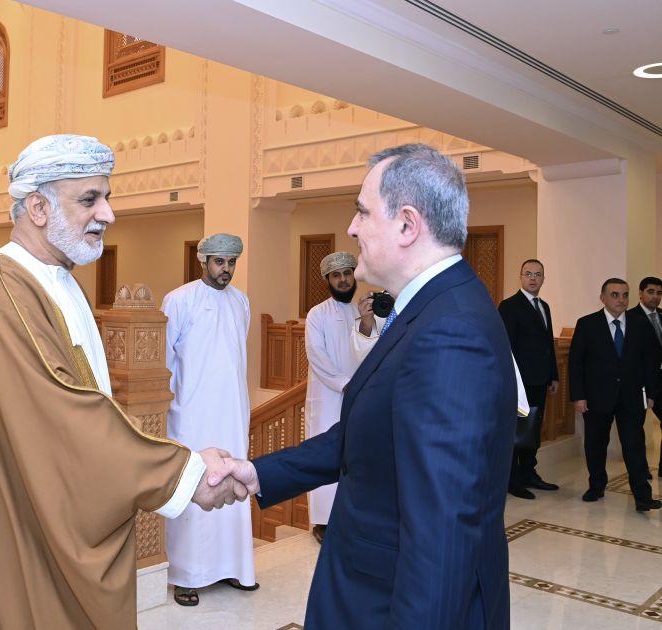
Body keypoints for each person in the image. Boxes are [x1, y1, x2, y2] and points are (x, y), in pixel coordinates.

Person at [0, 135, 249, 630]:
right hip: (24, 522)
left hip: (52, 506)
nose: (108, 214)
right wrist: (184, 473)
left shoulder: (58, 280)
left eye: (107, 197)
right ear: (38, 207)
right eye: (89, 199)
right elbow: (62, 416)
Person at [215, 144, 517, 628]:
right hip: (369, 588)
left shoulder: (450, 331)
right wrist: (259, 473)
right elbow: (371, 434)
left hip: (389, 601)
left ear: (407, 225)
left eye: (362, 211)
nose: (352, 227)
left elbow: (443, 533)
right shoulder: (426, 309)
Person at [162, 233, 258, 606]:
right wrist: (173, 406)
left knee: (233, 483)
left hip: (231, 411)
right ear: (203, 261)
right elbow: (166, 360)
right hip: (191, 414)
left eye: (231, 262)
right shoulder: (179, 300)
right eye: (219, 262)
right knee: (193, 485)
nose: (226, 269)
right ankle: (186, 575)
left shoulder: (241, 301)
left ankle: (233, 567)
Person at [304, 251, 379, 543]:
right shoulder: (317, 314)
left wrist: (368, 320)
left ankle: (352, 517)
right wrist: (345, 385)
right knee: (326, 456)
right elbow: (317, 356)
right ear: (328, 280)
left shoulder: (364, 310)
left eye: (347, 273)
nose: (343, 280)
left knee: (356, 455)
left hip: (360, 397)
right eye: (337, 275)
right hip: (328, 397)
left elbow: (370, 349)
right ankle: (322, 522)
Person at [569, 278, 660, 511]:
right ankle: (596, 486)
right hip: (596, 397)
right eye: (615, 295)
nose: (621, 300)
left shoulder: (640, 325)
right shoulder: (587, 324)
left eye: (625, 295)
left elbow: (650, 362)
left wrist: (652, 393)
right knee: (596, 445)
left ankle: (643, 496)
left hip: (631, 398)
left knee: (635, 446)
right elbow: (576, 363)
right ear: (603, 298)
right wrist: (579, 396)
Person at [498, 259, 560, 499]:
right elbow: (506, 346)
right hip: (519, 382)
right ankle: (512, 479)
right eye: (528, 274)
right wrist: (510, 379)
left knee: (533, 429)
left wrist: (553, 375)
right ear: (521, 277)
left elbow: (548, 344)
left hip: (540, 380)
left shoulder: (544, 306)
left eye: (538, 274)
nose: (533, 278)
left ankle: (529, 473)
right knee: (517, 429)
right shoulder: (509, 306)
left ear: (543, 278)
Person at [627, 276, 662, 477]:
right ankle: (640, 470)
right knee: (635, 428)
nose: (655, 296)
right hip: (640, 383)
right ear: (640, 293)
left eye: (659, 293)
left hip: (661, 381)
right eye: (651, 292)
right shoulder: (629, 317)